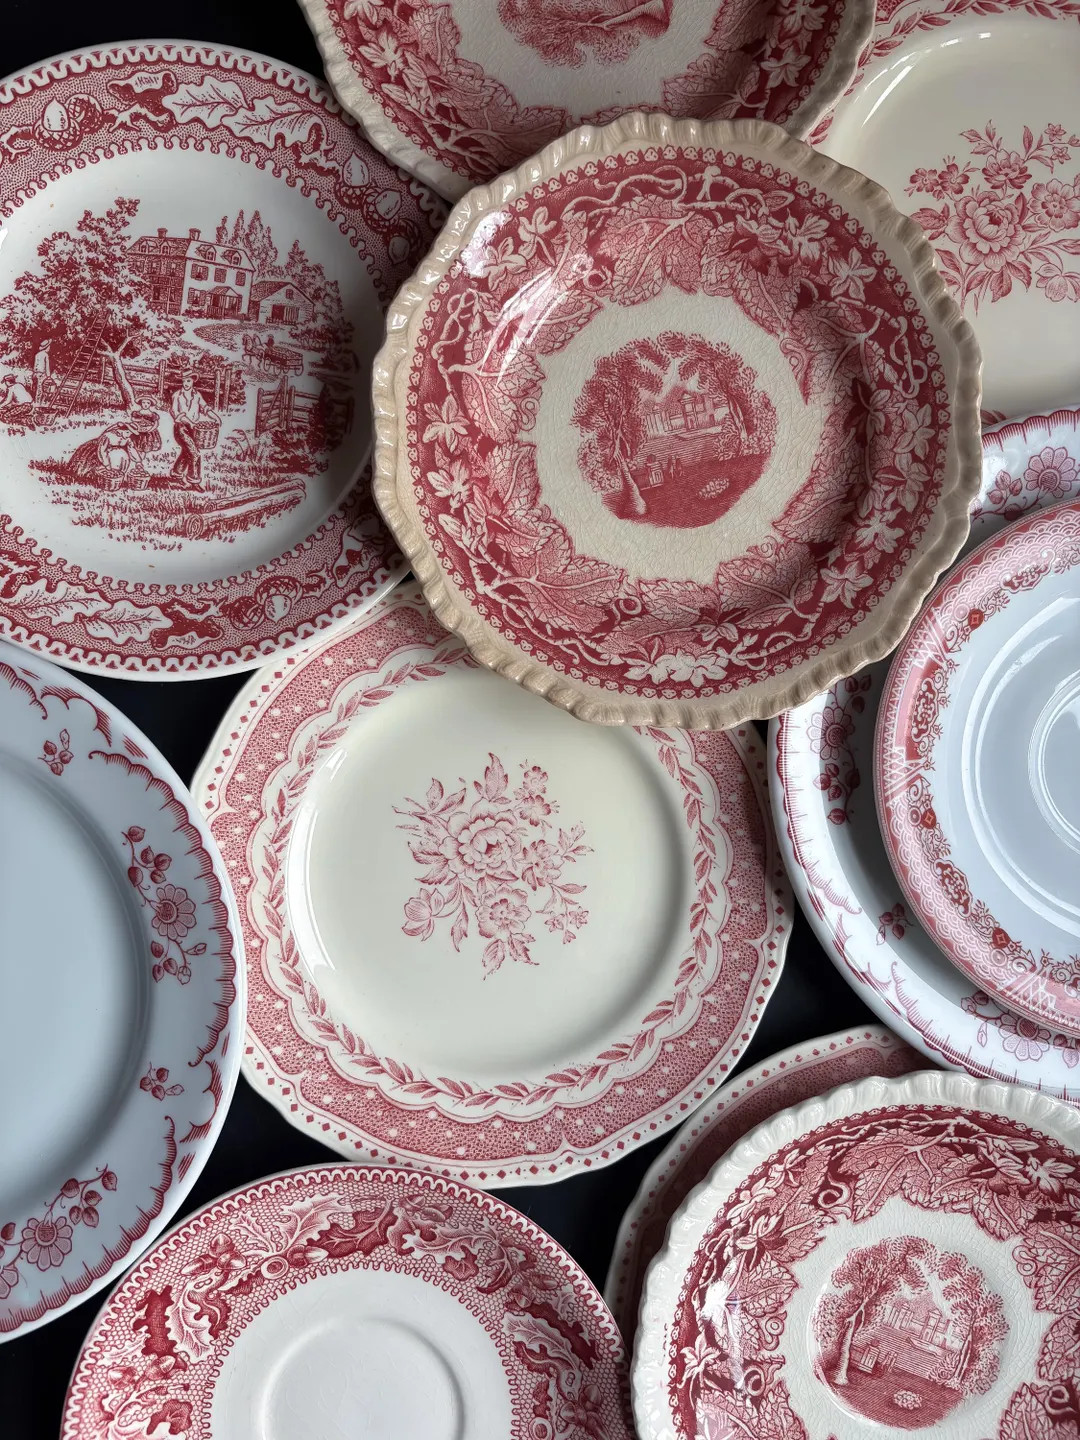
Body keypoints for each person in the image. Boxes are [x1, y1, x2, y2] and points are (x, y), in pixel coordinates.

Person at [170, 370, 219, 486]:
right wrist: (190, 422)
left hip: (195, 429)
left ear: (193, 381)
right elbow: (176, 414)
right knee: (194, 453)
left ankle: (176, 474)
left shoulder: (197, 395)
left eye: (188, 380)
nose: (186, 383)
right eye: (184, 381)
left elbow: (205, 408)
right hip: (181, 428)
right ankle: (194, 481)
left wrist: (216, 417)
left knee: (187, 451)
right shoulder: (176, 395)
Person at [66, 420, 145, 488]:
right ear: (123, 429)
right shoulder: (108, 436)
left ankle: (116, 479)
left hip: (115, 456)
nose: (128, 435)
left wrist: (138, 461)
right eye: (128, 432)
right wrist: (107, 464)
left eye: (130, 433)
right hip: (100, 454)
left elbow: (132, 449)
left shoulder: (127, 438)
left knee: (122, 458)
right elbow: (102, 451)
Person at [32, 340, 53, 404]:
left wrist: (34, 373)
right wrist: (48, 376)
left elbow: (35, 365)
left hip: (36, 373)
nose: (49, 348)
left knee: (37, 388)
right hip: (42, 374)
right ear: (46, 347)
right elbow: (47, 366)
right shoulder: (45, 355)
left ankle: (37, 401)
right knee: (42, 388)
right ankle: (38, 402)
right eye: (49, 347)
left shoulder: (37, 354)